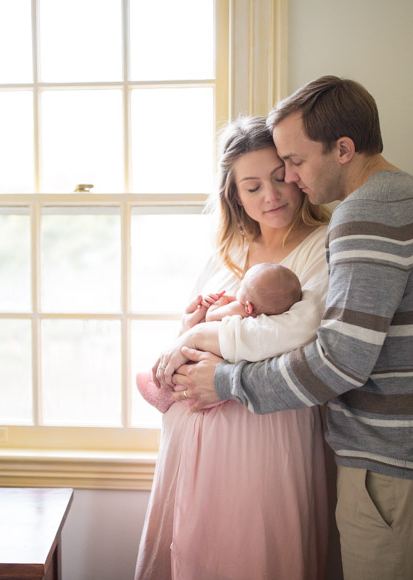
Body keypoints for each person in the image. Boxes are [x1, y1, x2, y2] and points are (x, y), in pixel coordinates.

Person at [171, 76, 413, 580]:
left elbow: (338, 361)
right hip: (402, 458)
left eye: (295, 163)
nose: (292, 180)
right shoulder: (405, 198)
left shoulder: (365, 216)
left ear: (343, 149)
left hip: (388, 466)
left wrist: (224, 381)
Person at [135, 116, 333, 580]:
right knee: (190, 549)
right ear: (234, 196)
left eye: (280, 177)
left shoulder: (322, 246)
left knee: (251, 550)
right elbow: (195, 327)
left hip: (265, 431)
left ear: (296, 173)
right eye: (251, 187)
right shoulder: (228, 249)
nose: (271, 195)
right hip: (191, 434)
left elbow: (301, 333)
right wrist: (190, 325)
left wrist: (201, 337)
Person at [136, 263, 302, 414]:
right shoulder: (263, 318)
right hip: (232, 383)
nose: (239, 286)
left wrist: (218, 302)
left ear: (249, 305)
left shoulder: (239, 308)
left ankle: (162, 395)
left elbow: (211, 317)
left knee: (184, 365)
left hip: (208, 366)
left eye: (242, 285)